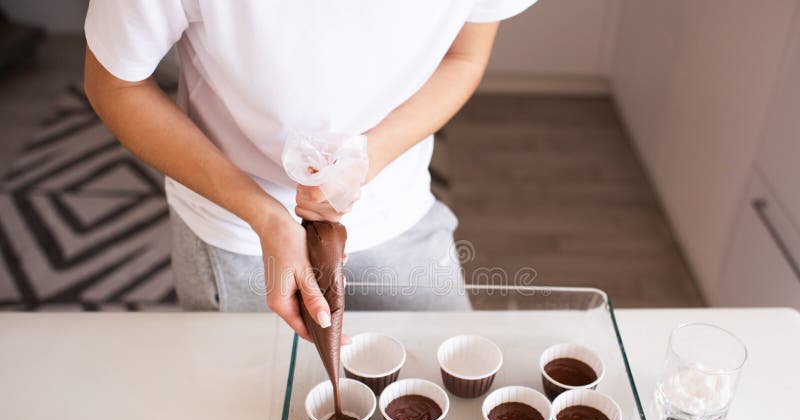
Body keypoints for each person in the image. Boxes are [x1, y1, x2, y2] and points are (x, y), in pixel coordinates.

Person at [83, 0, 535, 341]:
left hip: (401, 207)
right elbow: (116, 84)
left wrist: (369, 157)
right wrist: (264, 217)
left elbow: (464, 57)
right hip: (240, 234)